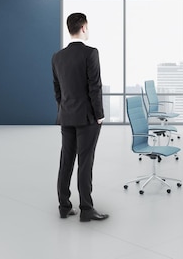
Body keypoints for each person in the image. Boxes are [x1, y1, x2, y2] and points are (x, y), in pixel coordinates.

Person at [52, 12, 109, 222]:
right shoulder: (91, 53)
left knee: (66, 161)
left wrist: (63, 109)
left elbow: (57, 90)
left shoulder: (57, 57)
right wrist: (99, 114)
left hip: (66, 116)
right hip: (87, 118)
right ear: (83, 28)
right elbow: (95, 87)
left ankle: (64, 206)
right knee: (85, 162)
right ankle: (86, 208)